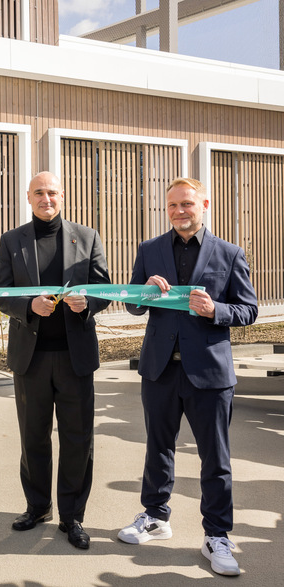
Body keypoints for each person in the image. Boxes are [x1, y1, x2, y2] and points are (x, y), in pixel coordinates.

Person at [116, 178, 257, 576]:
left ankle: (217, 536)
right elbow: (132, 307)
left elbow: (248, 310)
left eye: (188, 204)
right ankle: (155, 517)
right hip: (159, 369)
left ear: (204, 204)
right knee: (158, 448)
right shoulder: (149, 250)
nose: (180, 211)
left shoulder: (229, 253)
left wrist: (217, 311)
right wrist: (141, 293)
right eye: (173, 205)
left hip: (210, 373)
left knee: (216, 459)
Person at [0, 171, 111, 550]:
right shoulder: (12, 241)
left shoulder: (87, 237)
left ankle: (72, 516)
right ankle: (37, 506)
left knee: (78, 439)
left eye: (53, 192)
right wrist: (28, 306)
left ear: (62, 196)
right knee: (33, 437)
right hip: (31, 359)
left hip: (75, 358)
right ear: (29, 197)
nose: (47, 198)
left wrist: (87, 303)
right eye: (39, 192)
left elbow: (103, 288)